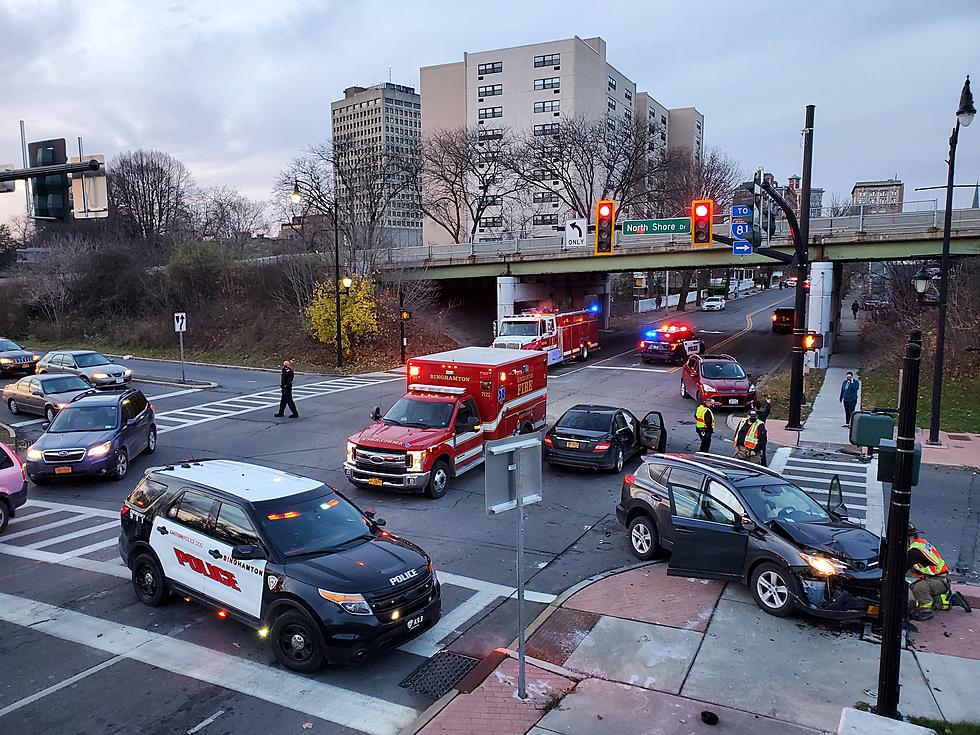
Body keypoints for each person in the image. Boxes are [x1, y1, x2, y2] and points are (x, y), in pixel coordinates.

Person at [907, 525, 971, 620]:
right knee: (914, 586)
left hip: (940, 580)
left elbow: (904, 566)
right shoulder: (920, 543)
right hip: (937, 578)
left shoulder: (914, 551)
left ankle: (926, 611)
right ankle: (951, 601)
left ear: (909, 537)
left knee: (919, 588)